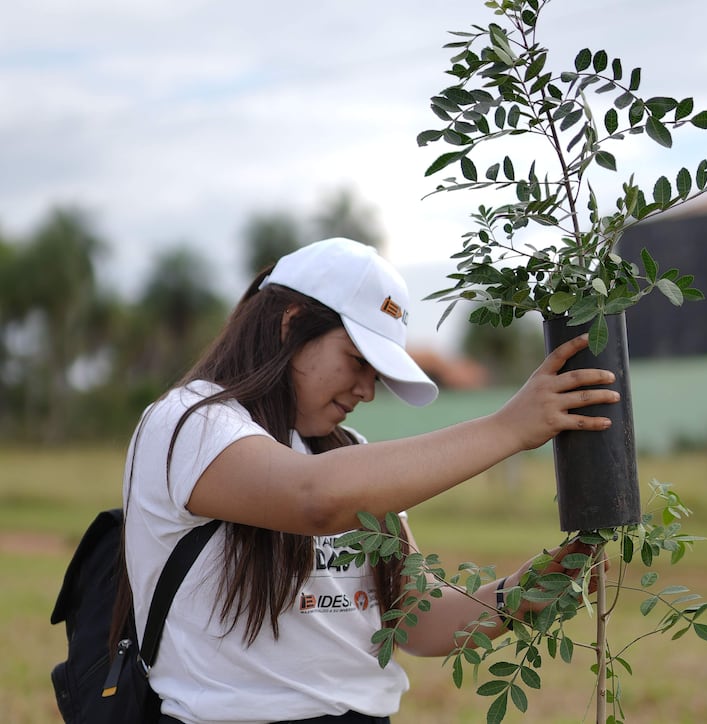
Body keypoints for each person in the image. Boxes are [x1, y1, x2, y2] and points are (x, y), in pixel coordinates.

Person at [119, 237, 619, 724]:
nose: (366, 391)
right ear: (290, 325)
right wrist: (506, 429)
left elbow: (414, 619)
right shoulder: (188, 422)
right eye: (358, 362)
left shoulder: (347, 452)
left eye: (376, 376)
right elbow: (312, 497)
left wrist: (521, 592)